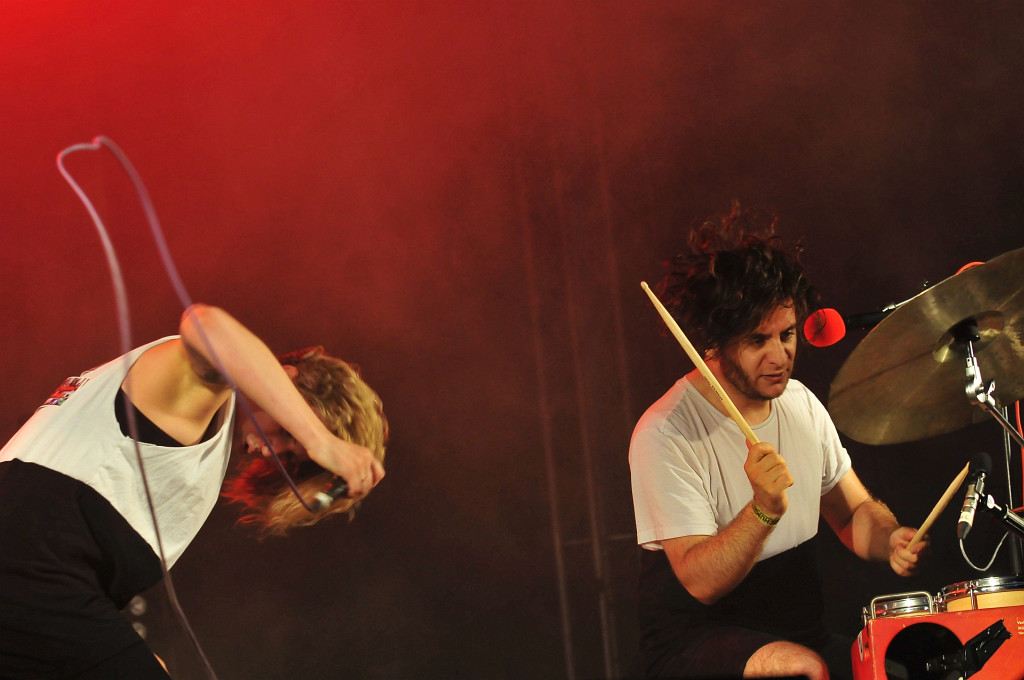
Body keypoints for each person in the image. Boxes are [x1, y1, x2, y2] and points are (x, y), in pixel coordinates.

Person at [0, 303, 387, 679]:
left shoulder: (200, 422)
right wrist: (319, 439)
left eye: (290, 455)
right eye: (286, 432)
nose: (274, 451)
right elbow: (208, 323)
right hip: (33, 570)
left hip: (37, 583)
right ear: (285, 377)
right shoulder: (194, 389)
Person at [629, 203, 928, 680]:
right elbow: (701, 583)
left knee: (900, 669)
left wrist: (890, 538)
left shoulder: (801, 404)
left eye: (786, 334)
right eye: (757, 341)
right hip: (696, 641)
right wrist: (763, 510)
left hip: (801, 631)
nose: (780, 356)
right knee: (804, 669)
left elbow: (852, 513)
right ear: (715, 344)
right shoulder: (665, 433)